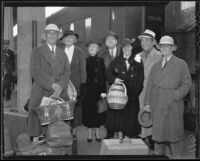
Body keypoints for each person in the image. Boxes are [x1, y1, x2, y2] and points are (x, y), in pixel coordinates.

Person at [144, 35, 192, 159]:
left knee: (174, 138)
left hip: (173, 106)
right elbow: (149, 86)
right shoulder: (156, 66)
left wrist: (174, 96)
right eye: (162, 46)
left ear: (172, 48)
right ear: (159, 48)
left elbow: (186, 84)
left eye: (167, 46)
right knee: (158, 139)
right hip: (157, 106)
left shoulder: (181, 64)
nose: (164, 48)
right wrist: (147, 104)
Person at [28, 24, 70, 142]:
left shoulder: (63, 53)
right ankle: (36, 141)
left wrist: (60, 87)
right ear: (45, 36)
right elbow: (35, 71)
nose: (52, 35)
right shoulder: (37, 51)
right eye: (49, 33)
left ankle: (56, 141)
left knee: (59, 117)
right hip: (41, 88)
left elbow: (67, 73)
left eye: (54, 33)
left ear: (57, 36)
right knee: (36, 114)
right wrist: (52, 84)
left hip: (59, 92)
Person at [106, 38, 144, 142]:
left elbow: (141, 77)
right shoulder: (117, 60)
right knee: (119, 118)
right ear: (122, 49)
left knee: (131, 118)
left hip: (132, 94)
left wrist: (137, 91)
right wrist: (114, 79)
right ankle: (120, 137)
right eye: (124, 47)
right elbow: (108, 73)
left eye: (128, 47)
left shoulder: (137, 60)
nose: (126, 49)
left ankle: (129, 138)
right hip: (120, 95)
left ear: (132, 47)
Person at [137, 29, 162, 149]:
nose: (144, 43)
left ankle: (153, 139)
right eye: (142, 40)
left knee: (152, 115)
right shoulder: (138, 56)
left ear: (153, 42)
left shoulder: (159, 55)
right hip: (140, 91)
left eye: (147, 40)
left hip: (152, 91)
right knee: (142, 114)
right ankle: (143, 136)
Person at [60, 30, 87, 137]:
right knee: (63, 106)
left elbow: (83, 69)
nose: (68, 39)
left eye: (71, 37)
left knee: (75, 108)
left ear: (74, 40)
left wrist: (83, 84)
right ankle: (64, 129)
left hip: (76, 85)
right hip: (62, 84)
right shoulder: (59, 51)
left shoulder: (79, 51)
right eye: (66, 38)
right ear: (63, 40)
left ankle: (74, 131)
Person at [82, 40, 107, 143]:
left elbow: (103, 76)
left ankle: (97, 133)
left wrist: (103, 92)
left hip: (98, 90)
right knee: (88, 113)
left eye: (94, 47)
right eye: (90, 47)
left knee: (97, 113)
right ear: (88, 49)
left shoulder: (101, 61)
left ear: (98, 49)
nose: (92, 48)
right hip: (88, 91)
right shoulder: (84, 60)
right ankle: (89, 134)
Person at [99, 31, 121, 139]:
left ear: (116, 41)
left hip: (121, 86)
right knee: (109, 110)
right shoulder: (102, 55)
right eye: (108, 40)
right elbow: (100, 74)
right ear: (105, 43)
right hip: (107, 86)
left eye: (112, 39)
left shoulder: (123, 52)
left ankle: (122, 131)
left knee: (122, 108)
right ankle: (110, 131)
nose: (110, 41)